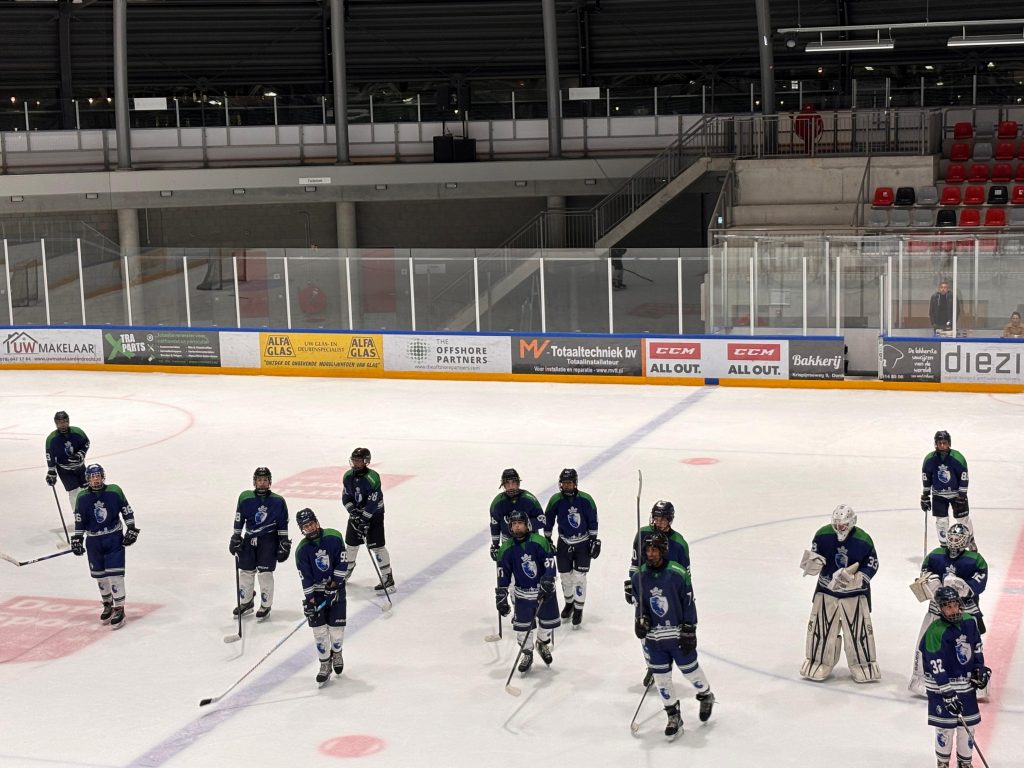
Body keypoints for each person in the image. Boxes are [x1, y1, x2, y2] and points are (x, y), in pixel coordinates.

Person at [631, 531, 715, 740]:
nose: (650, 554)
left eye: (654, 550)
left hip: (677, 635)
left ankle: (706, 694)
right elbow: (640, 605)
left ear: (663, 551)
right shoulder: (639, 577)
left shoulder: (677, 573)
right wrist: (641, 622)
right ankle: (673, 716)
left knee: (690, 672)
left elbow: (688, 602)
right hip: (654, 638)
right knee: (662, 679)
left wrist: (689, 628)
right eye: (648, 550)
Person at [798, 504, 880, 682]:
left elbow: (872, 564)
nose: (839, 528)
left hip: (854, 595)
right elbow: (816, 554)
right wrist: (814, 563)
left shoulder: (864, 540)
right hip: (827, 591)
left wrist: (858, 578)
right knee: (821, 629)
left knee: (858, 632)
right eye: (836, 524)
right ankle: (818, 661)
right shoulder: (822, 535)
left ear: (852, 522)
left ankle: (863, 664)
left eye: (843, 525)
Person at [909, 524, 989, 697]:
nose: (953, 542)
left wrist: (964, 587)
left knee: (966, 646)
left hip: (963, 611)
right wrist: (929, 582)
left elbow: (979, 583)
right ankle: (923, 682)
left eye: (957, 538)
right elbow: (925, 573)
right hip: (937, 609)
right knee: (927, 644)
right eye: (951, 538)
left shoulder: (974, 559)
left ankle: (972, 684)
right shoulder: (935, 555)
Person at [920, 586, 991, 768]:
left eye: (954, 605)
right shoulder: (935, 631)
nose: (952, 610)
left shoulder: (969, 621)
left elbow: (977, 647)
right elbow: (935, 666)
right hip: (941, 688)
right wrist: (947, 692)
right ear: (940, 609)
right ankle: (943, 763)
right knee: (945, 727)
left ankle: (965, 764)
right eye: (947, 607)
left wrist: (979, 668)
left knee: (968, 728)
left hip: (965, 685)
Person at [625, 500, 690, 686]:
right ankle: (652, 666)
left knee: (668, 632)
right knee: (644, 630)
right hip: (646, 591)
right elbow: (635, 563)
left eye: (663, 519)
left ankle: (663, 665)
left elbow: (686, 577)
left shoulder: (679, 544)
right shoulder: (643, 534)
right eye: (656, 518)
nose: (659, 522)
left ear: (670, 520)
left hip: (669, 595)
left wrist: (685, 599)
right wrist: (632, 584)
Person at [70, 464, 139, 629]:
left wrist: (131, 528)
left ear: (103, 476)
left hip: (113, 538)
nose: (96, 479)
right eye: (92, 477)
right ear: (87, 479)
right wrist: (78, 538)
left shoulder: (114, 491)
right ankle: (108, 603)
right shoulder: (82, 497)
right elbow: (80, 520)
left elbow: (126, 510)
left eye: (98, 476)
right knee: (100, 576)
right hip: (94, 541)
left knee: (115, 575)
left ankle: (119, 608)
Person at [495, 509, 560, 675]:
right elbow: (503, 574)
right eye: (514, 524)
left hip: (543, 591)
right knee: (523, 628)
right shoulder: (506, 549)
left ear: (527, 525)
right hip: (522, 594)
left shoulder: (539, 542)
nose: (517, 527)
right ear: (510, 527)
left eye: (520, 523)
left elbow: (549, 563)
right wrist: (501, 595)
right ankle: (527, 653)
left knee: (548, 623)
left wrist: (548, 579)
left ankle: (542, 643)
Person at [294, 508, 348, 685]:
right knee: (319, 632)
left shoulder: (334, 537)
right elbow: (306, 578)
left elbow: (342, 563)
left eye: (311, 524)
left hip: (336, 588)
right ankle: (324, 664)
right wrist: (310, 602)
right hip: (317, 593)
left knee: (336, 631)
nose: (309, 528)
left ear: (316, 521)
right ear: (302, 529)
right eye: (305, 526)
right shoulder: (302, 550)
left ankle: (337, 652)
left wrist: (334, 586)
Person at [229, 467, 291, 620]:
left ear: (269, 482)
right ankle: (246, 602)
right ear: (254, 482)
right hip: (249, 539)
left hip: (268, 540)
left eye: (264, 480)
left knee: (265, 573)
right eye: (259, 480)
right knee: (245, 571)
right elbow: (239, 518)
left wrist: (283, 541)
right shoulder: (245, 497)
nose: (262, 483)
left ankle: (265, 604)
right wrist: (236, 536)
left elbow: (282, 523)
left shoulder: (278, 501)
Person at [545, 468, 600, 629]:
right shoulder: (555, 500)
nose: (567, 485)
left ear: (575, 483)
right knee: (565, 577)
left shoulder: (586, 499)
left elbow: (593, 521)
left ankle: (578, 609)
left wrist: (593, 540)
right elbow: (548, 520)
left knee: (579, 577)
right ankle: (569, 603)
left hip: (583, 543)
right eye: (564, 483)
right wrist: (547, 539)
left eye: (569, 483)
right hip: (564, 542)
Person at [342, 447, 394, 592]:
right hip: (357, 514)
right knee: (351, 545)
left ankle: (387, 577)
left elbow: (373, 502)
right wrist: (353, 512)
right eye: (354, 460)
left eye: (359, 460)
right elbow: (346, 497)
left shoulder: (372, 478)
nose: (355, 463)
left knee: (377, 547)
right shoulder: (348, 476)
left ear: (366, 461)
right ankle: (346, 571)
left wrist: (364, 520)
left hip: (374, 515)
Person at [921, 430, 970, 547]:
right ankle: (944, 546)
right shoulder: (929, 460)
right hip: (938, 495)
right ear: (935, 444)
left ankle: (970, 542)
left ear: (949, 443)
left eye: (944, 443)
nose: (942, 445)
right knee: (941, 522)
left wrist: (962, 495)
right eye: (940, 443)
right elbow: (926, 477)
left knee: (963, 519)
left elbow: (964, 476)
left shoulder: (958, 458)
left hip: (956, 495)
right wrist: (925, 495)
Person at [489, 468, 546, 562]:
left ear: (518, 483)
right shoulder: (497, 503)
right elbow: (495, 525)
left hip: (530, 542)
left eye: (513, 483)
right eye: (507, 483)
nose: (510, 486)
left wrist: (525, 523)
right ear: (503, 485)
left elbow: (542, 520)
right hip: (508, 544)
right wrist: (495, 545)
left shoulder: (529, 499)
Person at [45, 410, 90, 510]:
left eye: (65, 422)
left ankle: (89, 513)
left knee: (87, 490)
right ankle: (78, 515)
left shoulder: (77, 432)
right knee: (74, 492)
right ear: (56, 423)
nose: (63, 425)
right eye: (60, 422)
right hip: (64, 471)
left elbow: (86, 443)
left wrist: (81, 454)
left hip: (80, 467)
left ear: (68, 421)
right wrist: (51, 471)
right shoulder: (51, 439)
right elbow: (49, 456)